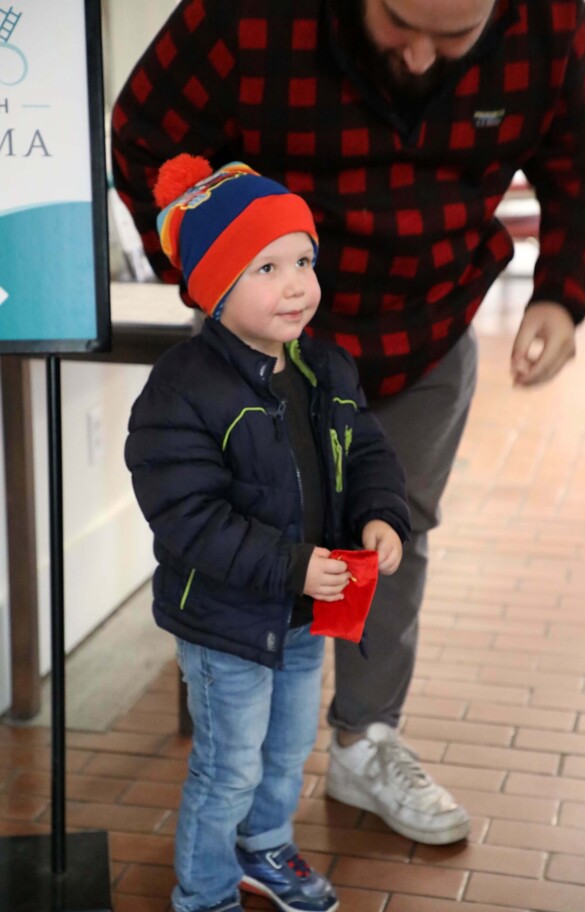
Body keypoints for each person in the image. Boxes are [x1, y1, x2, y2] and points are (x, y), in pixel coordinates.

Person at [112, 0, 585, 846]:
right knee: (253, 527)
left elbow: (584, 164)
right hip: (261, 342)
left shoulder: (551, 22)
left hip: (427, 326)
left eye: (453, 40)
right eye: (399, 27)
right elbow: (144, 131)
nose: (420, 60)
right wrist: (210, 268)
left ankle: (365, 740)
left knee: (393, 528)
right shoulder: (245, 15)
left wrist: (563, 288)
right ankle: (243, 727)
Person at [125, 153, 411, 912]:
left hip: (305, 612)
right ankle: (207, 892)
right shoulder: (183, 390)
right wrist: (289, 565)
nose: (296, 285)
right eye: (266, 267)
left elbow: (369, 451)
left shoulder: (325, 368)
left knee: (287, 752)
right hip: (226, 622)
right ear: (214, 287)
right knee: (229, 766)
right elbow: (187, 515)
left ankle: (264, 846)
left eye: (304, 261)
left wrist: (382, 513)